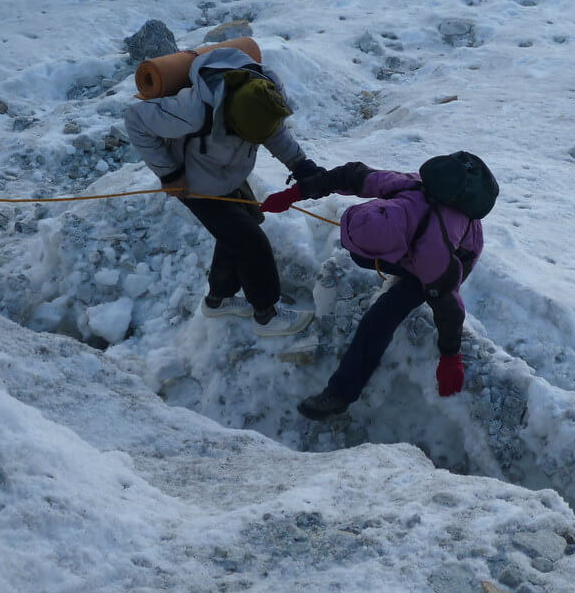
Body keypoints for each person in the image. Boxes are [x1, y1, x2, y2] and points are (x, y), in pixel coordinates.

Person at [260, 160, 484, 420]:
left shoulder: (433, 258)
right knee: (361, 258)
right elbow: (348, 175)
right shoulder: (399, 186)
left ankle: (340, 394)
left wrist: (450, 357)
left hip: (459, 253)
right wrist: (293, 195)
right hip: (424, 232)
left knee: (381, 317)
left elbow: (449, 306)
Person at [124, 47, 319, 336]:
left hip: (230, 175)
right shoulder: (192, 111)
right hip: (194, 184)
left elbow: (273, 131)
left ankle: (218, 300)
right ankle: (266, 315)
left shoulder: (267, 92)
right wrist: (170, 173)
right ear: (228, 119)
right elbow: (135, 119)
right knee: (252, 243)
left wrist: (300, 164)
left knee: (240, 232)